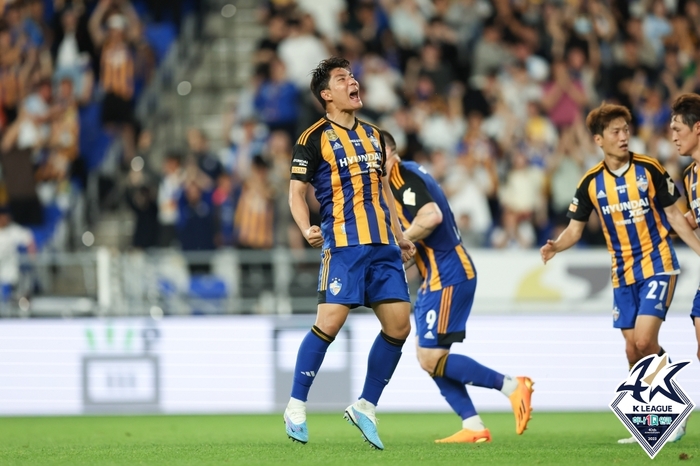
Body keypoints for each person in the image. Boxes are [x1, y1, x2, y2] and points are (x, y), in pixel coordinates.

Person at [540, 103, 700, 444]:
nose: (624, 136)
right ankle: (652, 423)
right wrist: (556, 246)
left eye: (626, 129)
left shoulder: (649, 169)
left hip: (658, 264)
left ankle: (677, 410)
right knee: (632, 351)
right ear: (599, 139)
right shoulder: (590, 182)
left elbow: (675, 216)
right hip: (622, 274)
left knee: (643, 341)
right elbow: (574, 230)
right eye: (615, 131)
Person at [284, 57, 415, 450]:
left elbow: (384, 191)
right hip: (343, 244)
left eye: (352, 76)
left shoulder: (374, 135)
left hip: (384, 246)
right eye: (343, 78)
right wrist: (305, 227)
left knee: (399, 327)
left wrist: (401, 234)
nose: (353, 82)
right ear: (327, 94)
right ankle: (295, 406)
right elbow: (296, 193)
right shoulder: (312, 138)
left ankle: (365, 406)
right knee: (329, 323)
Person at [381, 130, 533, 443]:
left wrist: (399, 243)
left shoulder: (400, 177)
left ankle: (512, 386)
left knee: (430, 356)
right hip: (436, 275)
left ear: (386, 152)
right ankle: (473, 425)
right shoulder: (406, 175)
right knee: (428, 357)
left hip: (448, 273)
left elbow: (431, 216)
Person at [671, 93, 700, 363]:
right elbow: (695, 215)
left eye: (678, 129)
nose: (674, 137)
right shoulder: (690, 175)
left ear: (697, 127)